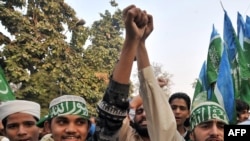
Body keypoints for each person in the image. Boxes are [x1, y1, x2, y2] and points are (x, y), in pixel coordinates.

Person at [95, 4, 184, 141]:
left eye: (149, 111)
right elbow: (112, 113)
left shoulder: (173, 137)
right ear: (132, 116)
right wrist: (134, 42)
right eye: (140, 111)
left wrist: (139, 43)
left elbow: (163, 123)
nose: (144, 115)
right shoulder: (126, 136)